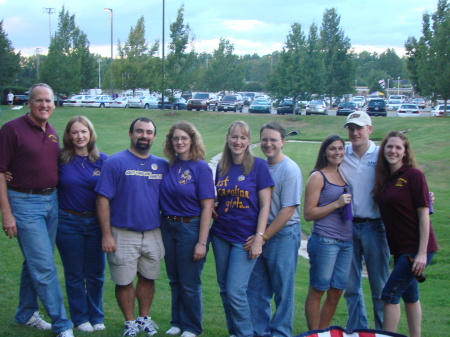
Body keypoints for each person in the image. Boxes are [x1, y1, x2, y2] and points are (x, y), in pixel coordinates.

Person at [0, 83, 74, 337]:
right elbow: (0, 172)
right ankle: (62, 324)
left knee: (32, 261)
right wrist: (7, 214)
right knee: (44, 265)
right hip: (24, 203)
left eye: (49, 101)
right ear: (29, 103)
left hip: (51, 202)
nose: (45, 105)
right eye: (39, 100)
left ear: (54, 104)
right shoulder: (11, 130)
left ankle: (25, 313)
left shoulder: (52, 131)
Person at [95, 117, 168, 337]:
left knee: (148, 277)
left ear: (154, 137)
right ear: (130, 134)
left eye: (148, 132)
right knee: (124, 280)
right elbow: (102, 199)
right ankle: (130, 322)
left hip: (153, 232)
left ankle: (144, 318)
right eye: (139, 131)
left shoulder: (162, 165)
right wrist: (107, 235)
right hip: (123, 233)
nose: (144, 136)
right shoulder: (115, 162)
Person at [210, 120, 273, 337]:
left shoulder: (259, 166)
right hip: (220, 235)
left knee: (236, 291)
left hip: (244, 239)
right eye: (234, 137)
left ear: (248, 141)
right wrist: (215, 205)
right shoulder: (222, 166)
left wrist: (259, 237)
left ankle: (245, 334)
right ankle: (235, 333)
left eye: (243, 137)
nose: (238, 141)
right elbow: (225, 195)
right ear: (228, 138)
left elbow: (265, 205)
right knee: (226, 290)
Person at [373, 131, 438, 337]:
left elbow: (423, 214)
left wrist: (421, 253)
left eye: (398, 147)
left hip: (416, 249)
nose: (393, 151)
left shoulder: (414, 175)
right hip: (400, 250)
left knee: (389, 295)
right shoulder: (385, 178)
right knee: (410, 295)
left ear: (405, 152)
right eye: (389, 146)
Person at [245, 121, 302, 337]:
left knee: (283, 290)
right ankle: (259, 332)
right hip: (261, 233)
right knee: (257, 290)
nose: (268, 144)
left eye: (273, 140)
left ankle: (280, 332)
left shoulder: (289, 169)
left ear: (283, 142)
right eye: (265, 139)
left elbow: (288, 210)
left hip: (283, 235)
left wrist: (262, 237)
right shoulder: (258, 166)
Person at [159, 121, 215, 337]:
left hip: (190, 227)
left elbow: (207, 206)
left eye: (184, 138)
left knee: (190, 282)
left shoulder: (200, 167)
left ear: (192, 140)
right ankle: (177, 322)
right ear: (170, 142)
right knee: (174, 279)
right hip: (168, 226)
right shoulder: (169, 165)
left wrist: (202, 242)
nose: (179, 142)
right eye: (175, 138)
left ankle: (191, 327)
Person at [56, 116, 108, 333]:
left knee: (96, 273)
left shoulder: (103, 160)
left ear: (90, 133)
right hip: (68, 222)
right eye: (75, 132)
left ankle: (96, 316)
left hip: (96, 223)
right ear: (68, 135)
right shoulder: (60, 159)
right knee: (75, 273)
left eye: (83, 132)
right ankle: (80, 317)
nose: (79, 136)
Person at [339, 111, 390, 331]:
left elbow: (406, 178)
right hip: (348, 226)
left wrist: (426, 196)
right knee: (350, 286)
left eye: (359, 128)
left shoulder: (381, 155)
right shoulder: (342, 154)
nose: (355, 132)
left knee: (380, 287)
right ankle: (359, 330)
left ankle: (382, 331)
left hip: (376, 227)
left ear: (370, 129)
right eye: (351, 128)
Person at [303, 134, 353, 330]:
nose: (337, 152)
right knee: (318, 289)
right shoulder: (317, 176)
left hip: (346, 242)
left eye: (341, 148)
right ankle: (314, 333)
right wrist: (336, 204)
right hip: (325, 241)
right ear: (325, 151)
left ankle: (324, 332)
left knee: (336, 291)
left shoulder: (344, 174)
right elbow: (308, 213)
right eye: (333, 148)